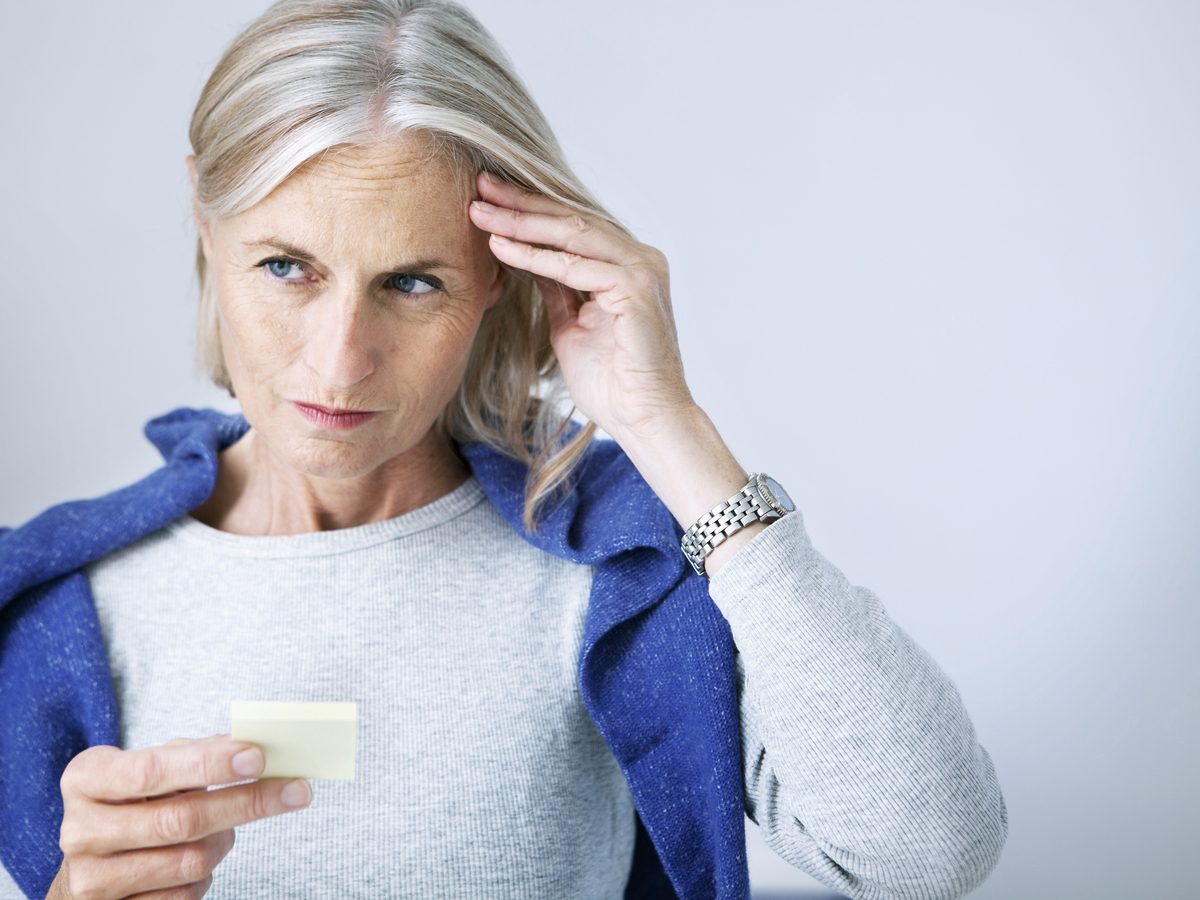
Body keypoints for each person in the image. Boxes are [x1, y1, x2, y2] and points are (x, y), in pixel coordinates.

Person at [0, 1, 1008, 898]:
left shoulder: (618, 566)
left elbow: (925, 854)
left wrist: (665, 424)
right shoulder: (63, 607)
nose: (342, 361)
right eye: (286, 266)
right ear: (202, 220)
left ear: (500, 273)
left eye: (412, 282)